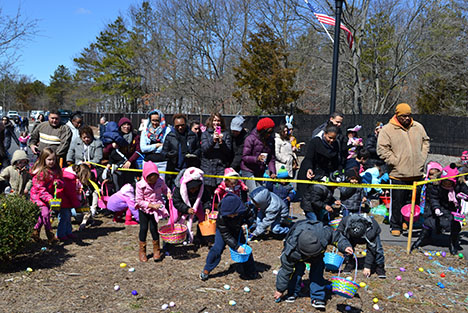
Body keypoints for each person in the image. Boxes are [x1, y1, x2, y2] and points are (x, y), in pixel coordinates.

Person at [377, 103, 430, 236]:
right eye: (403, 116)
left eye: (409, 115)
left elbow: (426, 141)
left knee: (412, 202)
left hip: (416, 173)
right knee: (397, 201)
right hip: (398, 174)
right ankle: (396, 225)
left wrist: (422, 158)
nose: (407, 118)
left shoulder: (418, 127)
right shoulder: (388, 129)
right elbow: (382, 149)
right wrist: (394, 161)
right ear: (397, 115)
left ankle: (406, 221)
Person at [274, 219, 353, 308]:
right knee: (296, 270)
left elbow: (337, 237)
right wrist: (280, 290)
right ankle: (292, 291)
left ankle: (318, 297)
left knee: (317, 271)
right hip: (298, 255)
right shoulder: (291, 251)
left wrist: (345, 246)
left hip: (317, 254)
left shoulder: (324, 234)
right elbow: (285, 271)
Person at [200, 193, 258, 281]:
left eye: (233, 214)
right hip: (224, 231)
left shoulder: (244, 209)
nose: (231, 216)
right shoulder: (221, 217)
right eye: (229, 215)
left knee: (245, 249)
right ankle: (206, 269)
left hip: (238, 229)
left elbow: (251, 217)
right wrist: (236, 247)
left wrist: (246, 223)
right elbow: (226, 235)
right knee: (217, 248)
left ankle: (250, 271)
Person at [411, 164, 462, 255]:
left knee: (454, 226)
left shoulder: (459, 185)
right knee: (429, 222)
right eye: (444, 182)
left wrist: (463, 196)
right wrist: (436, 208)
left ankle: (453, 244)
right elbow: (434, 198)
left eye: (449, 183)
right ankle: (422, 239)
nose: (446, 184)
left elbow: (465, 192)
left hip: (452, 209)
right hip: (439, 207)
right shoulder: (435, 185)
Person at [135, 161, 171, 262]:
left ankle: (157, 250)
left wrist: (168, 193)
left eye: (154, 180)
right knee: (143, 228)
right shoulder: (140, 185)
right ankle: (142, 251)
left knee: (154, 228)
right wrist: (151, 205)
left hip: (156, 209)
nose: (153, 182)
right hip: (145, 209)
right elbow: (138, 200)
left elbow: (165, 189)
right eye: (151, 181)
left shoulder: (160, 181)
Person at [297, 125, 341, 198]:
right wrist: (309, 169)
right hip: (311, 172)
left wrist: (335, 175)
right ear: (325, 134)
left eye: (334, 138)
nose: (332, 140)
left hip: (325, 173)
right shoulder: (315, 142)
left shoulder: (336, 144)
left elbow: (336, 161)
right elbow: (309, 158)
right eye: (329, 138)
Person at [30, 148, 63, 244]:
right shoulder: (41, 173)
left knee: (43, 215)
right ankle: (50, 235)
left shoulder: (56, 170)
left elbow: (61, 181)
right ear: (43, 159)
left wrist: (58, 183)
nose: (52, 162)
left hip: (48, 197)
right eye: (49, 159)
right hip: (38, 197)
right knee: (45, 214)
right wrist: (50, 199)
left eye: (53, 159)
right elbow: (41, 190)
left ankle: (35, 232)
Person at [337, 213, 386, 278]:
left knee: (378, 250)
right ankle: (349, 262)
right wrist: (345, 246)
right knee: (347, 247)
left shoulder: (371, 230)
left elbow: (371, 249)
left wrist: (367, 266)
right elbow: (339, 235)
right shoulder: (345, 222)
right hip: (350, 236)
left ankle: (379, 266)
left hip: (367, 236)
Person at [172, 167, 211, 244]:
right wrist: (186, 209)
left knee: (202, 217)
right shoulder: (178, 189)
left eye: (196, 188)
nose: (194, 190)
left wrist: (206, 207)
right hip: (181, 205)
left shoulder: (202, 188)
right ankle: (172, 236)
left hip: (195, 204)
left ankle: (201, 235)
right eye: (191, 188)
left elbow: (206, 198)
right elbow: (176, 202)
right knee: (174, 219)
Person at [162, 114, 201, 189]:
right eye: (177, 126)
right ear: (174, 125)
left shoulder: (192, 136)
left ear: (186, 124)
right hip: (174, 170)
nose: (180, 127)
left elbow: (199, 150)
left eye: (182, 125)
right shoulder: (170, 136)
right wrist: (169, 155)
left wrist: (194, 154)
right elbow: (163, 153)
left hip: (189, 170)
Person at [241, 117, 277, 192]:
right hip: (248, 170)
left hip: (260, 171)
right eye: (269, 132)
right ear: (263, 131)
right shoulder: (250, 139)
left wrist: (272, 171)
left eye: (272, 132)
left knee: (261, 193)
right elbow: (244, 157)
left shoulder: (271, 140)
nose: (270, 134)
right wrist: (256, 158)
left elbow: (271, 158)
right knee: (254, 193)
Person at [200, 113, 232, 194]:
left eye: (218, 121)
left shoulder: (226, 134)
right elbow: (205, 150)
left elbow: (228, 152)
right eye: (214, 120)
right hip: (207, 168)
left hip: (220, 168)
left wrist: (222, 143)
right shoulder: (205, 134)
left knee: (220, 193)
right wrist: (213, 141)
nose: (216, 123)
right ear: (211, 121)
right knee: (207, 194)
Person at [58, 164, 91, 241]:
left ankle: (68, 232)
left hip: (66, 201)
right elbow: (71, 193)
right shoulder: (70, 179)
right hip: (64, 201)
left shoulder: (69, 176)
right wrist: (76, 205)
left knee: (67, 217)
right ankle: (61, 234)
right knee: (64, 218)